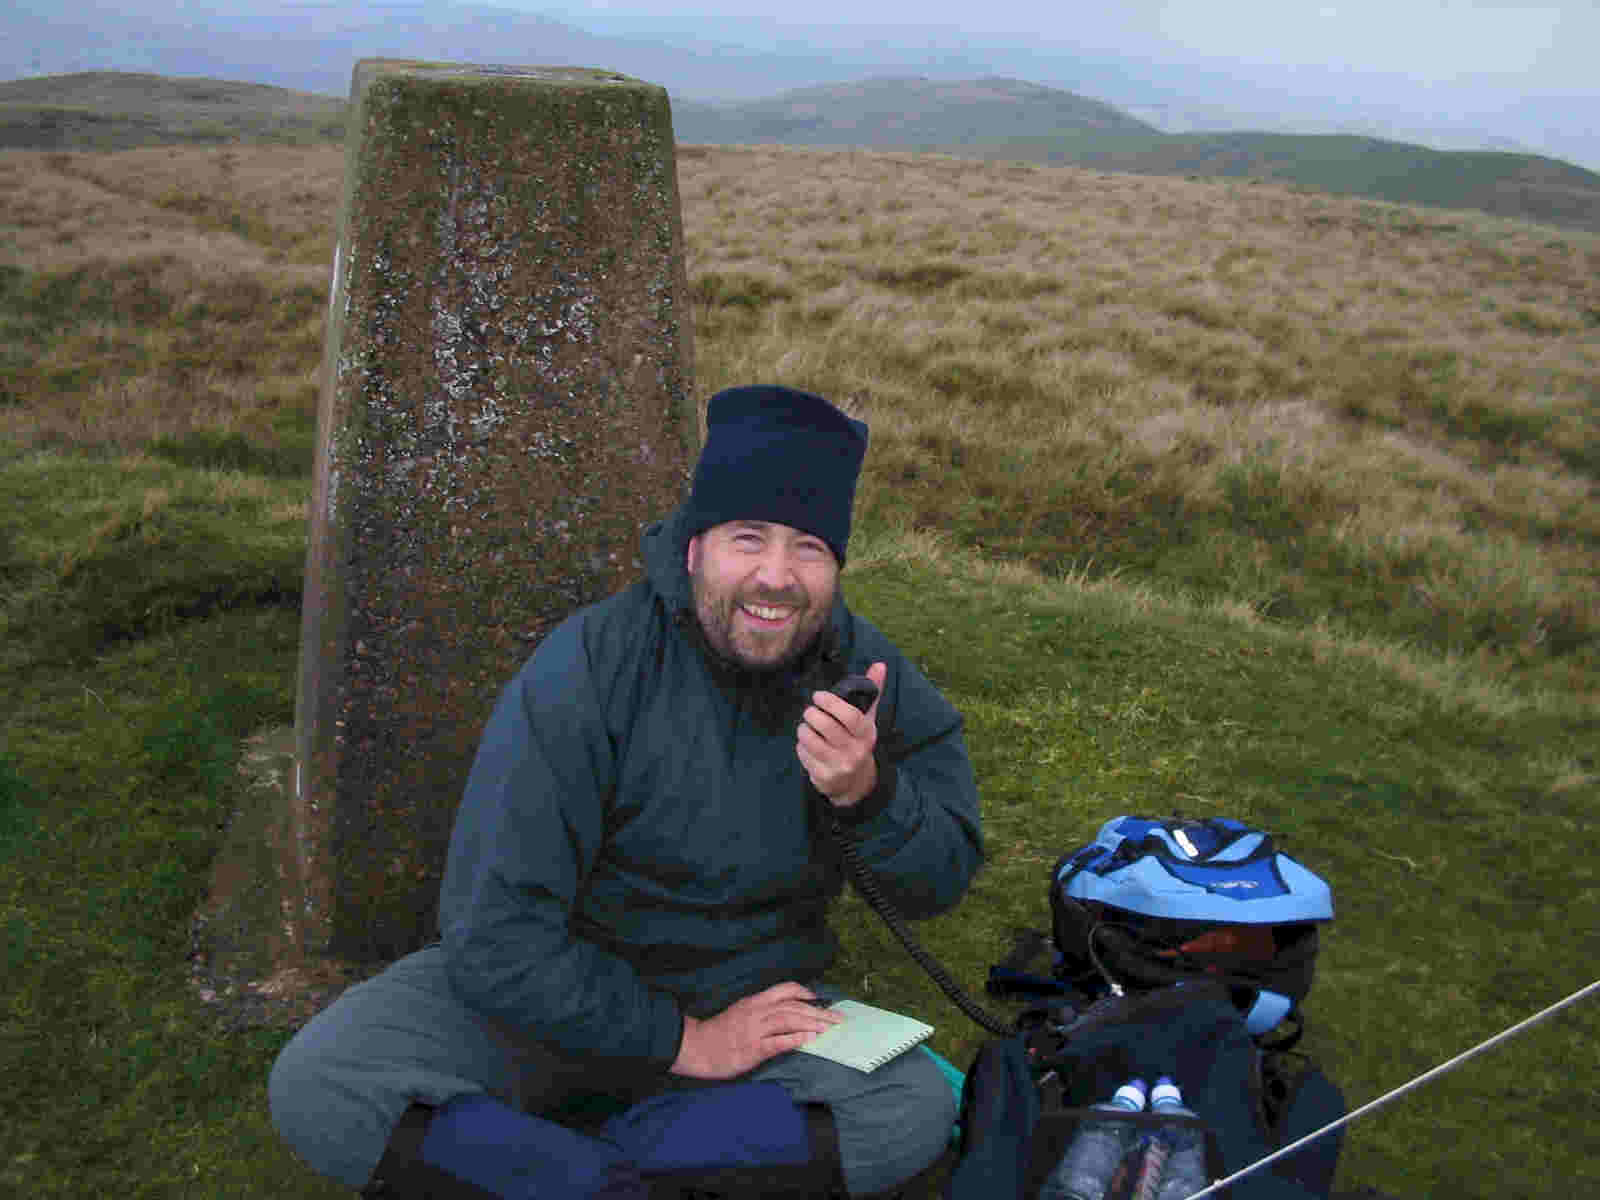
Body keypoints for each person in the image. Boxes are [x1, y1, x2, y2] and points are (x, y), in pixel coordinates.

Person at [269, 385, 984, 1198]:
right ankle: (628, 1171)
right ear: (693, 548)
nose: (777, 578)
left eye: (809, 548)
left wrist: (870, 792)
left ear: (835, 568)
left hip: (755, 1000)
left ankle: (551, 1165)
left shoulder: (866, 676)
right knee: (323, 1080)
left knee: (910, 1106)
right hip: (556, 1000)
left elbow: (943, 877)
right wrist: (680, 1040)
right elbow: (493, 931)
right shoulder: (587, 668)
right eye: (748, 539)